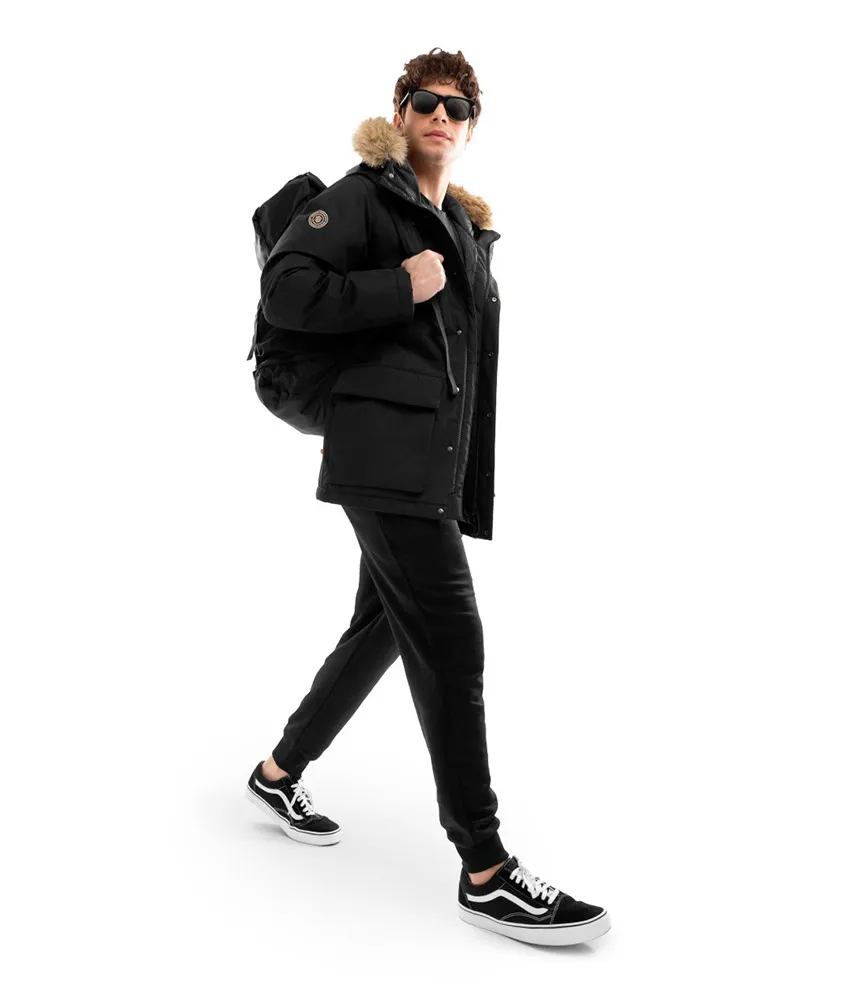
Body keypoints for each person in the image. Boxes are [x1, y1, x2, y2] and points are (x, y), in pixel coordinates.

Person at [244, 47, 610, 946]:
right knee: (451, 639)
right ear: (400, 113)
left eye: (457, 105)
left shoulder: (462, 227)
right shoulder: (365, 196)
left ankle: (278, 771)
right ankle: (485, 869)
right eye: (424, 101)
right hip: (383, 453)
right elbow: (286, 290)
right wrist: (395, 286)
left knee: (383, 625)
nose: (440, 115)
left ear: (472, 125)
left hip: (426, 460)